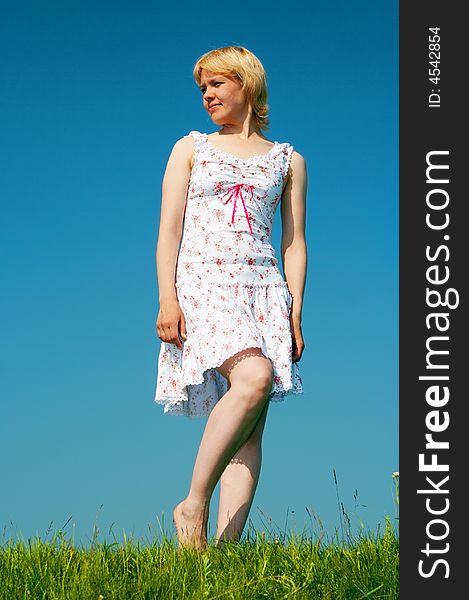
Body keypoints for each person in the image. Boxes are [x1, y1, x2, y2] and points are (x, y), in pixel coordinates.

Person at [154, 46, 307, 551]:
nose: (207, 96)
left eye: (217, 85)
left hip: (264, 291)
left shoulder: (289, 161)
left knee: (251, 428)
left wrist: (295, 313)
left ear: (247, 86)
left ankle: (222, 556)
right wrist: (167, 299)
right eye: (203, 88)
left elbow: (293, 243)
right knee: (255, 375)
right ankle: (192, 503)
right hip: (204, 283)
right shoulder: (191, 148)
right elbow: (169, 229)